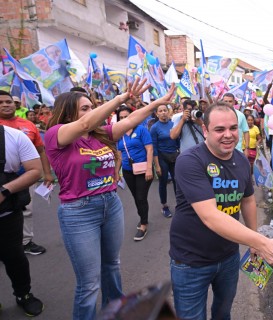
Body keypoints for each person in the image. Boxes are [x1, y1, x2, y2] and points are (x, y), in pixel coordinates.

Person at [44, 79, 174, 319]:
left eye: (92, 106)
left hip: (110, 204)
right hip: (78, 212)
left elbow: (131, 120)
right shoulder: (56, 135)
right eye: (85, 107)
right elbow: (84, 123)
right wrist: (120, 98)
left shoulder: (99, 135)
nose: (91, 112)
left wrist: (157, 103)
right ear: (67, 111)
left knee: (112, 266)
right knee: (89, 283)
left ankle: (114, 313)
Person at [169, 102, 273, 319]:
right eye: (219, 129)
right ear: (205, 130)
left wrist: (254, 239)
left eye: (233, 128)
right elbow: (211, 217)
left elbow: (248, 200)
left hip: (228, 257)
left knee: (223, 312)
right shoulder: (189, 161)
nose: (228, 135)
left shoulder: (242, 161)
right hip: (190, 261)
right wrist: (262, 243)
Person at [0, 91, 53, 256]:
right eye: (0, 102)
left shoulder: (28, 125)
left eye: (8, 101)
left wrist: (47, 173)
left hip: (26, 177)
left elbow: (41, 151)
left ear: (15, 104)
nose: (5, 105)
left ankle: (25, 242)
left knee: (25, 209)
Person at [0, 124, 44, 317]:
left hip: (7, 215)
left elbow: (35, 171)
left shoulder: (14, 136)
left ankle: (23, 294)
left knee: (14, 257)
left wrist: (5, 191)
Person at [116, 106, 154, 241]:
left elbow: (149, 149)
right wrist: (116, 172)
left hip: (144, 169)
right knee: (136, 197)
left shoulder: (141, 130)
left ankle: (144, 224)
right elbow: (119, 155)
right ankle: (142, 216)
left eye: (126, 116)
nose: (124, 119)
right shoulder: (119, 134)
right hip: (127, 170)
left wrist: (150, 168)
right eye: (121, 117)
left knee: (141, 197)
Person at [150, 104, 179, 218]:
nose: (163, 112)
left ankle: (180, 204)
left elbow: (178, 141)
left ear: (168, 112)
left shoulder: (173, 124)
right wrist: (156, 165)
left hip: (175, 156)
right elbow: (154, 148)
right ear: (157, 114)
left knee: (177, 181)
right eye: (160, 111)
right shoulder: (154, 127)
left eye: (165, 110)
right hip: (162, 157)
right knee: (163, 181)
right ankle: (164, 206)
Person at [222, 93, 250, 158]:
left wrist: (246, 148)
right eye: (225, 101)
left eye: (230, 101)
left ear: (234, 102)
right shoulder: (218, 115)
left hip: (238, 150)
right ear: (222, 102)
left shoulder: (241, 115)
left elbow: (246, 132)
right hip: (222, 151)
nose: (228, 103)